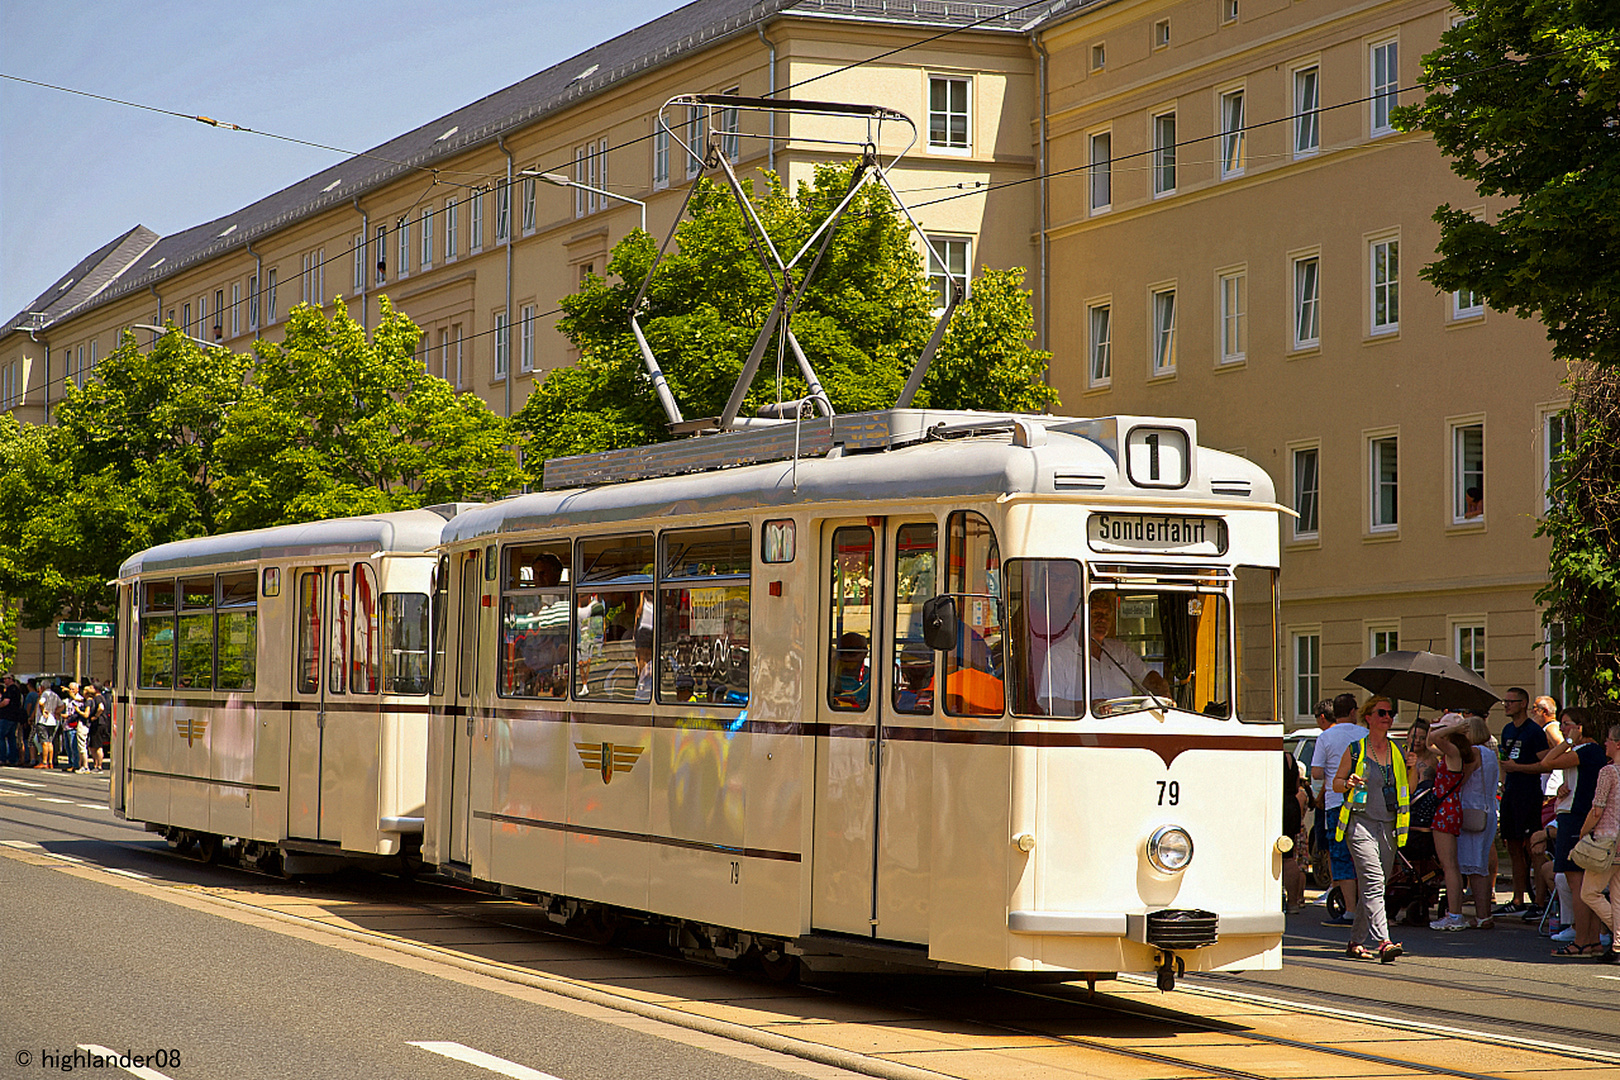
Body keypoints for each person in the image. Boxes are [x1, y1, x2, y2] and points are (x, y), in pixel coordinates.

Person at [1333, 695, 1409, 962]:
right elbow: (1336, 783)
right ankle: (1384, 942)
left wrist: (1411, 767)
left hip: (1388, 827)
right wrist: (1348, 781)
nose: (1388, 717)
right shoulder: (1356, 749)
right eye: (1382, 713)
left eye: (1391, 713)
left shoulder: (1397, 751)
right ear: (1368, 717)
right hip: (1360, 824)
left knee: (1374, 884)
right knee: (1374, 882)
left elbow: (1405, 789)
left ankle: (1355, 941)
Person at [1541, 708, 1611, 957]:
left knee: (1577, 883)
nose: (1562, 729)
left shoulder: (1587, 750)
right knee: (1582, 884)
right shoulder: (1582, 753)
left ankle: (1582, 940)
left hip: (1575, 819)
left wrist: (1567, 741)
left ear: (1581, 726)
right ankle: (1590, 940)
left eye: (1567, 724)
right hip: (1573, 815)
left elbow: (1547, 762)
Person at [1311, 692, 1367, 927]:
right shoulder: (1364, 734)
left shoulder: (1326, 737)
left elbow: (1315, 772)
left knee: (1340, 855)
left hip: (1336, 802)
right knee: (1365, 856)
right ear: (1353, 712)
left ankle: (1350, 910)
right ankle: (1369, 907)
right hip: (1364, 801)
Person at [1496, 688, 1551, 913]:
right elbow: (1504, 760)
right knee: (1513, 846)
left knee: (1533, 846)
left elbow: (1545, 763)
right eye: (1505, 701)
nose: (1507, 705)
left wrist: (1518, 768)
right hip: (1511, 792)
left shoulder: (1534, 732)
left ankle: (1538, 901)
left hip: (1528, 794)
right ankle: (1517, 899)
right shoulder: (1507, 729)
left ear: (1523, 704)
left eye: (1511, 701)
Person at [1426, 710, 1478, 931]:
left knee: (1449, 866)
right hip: (1448, 807)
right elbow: (1430, 742)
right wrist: (1435, 726)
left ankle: (1455, 915)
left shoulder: (1453, 750)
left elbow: (1435, 740)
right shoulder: (1454, 751)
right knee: (1450, 865)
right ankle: (1454, 913)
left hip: (1446, 810)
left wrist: (1446, 729)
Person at [1575, 721, 1619, 963]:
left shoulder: (1608, 771)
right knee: (1617, 894)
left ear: (1618, 744)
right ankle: (1617, 946)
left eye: (1609, 739)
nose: (1606, 743)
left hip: (1605, 841)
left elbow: (1597, 809)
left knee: (1589, 892)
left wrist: (1583, 833)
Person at [1086, 590, 1171, 711]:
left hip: (1127, 723)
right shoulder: (1061, 654)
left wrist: (1164, 692)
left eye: (1106, 615)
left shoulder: (1119, 649)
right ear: (1080, 617)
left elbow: (1147, 676)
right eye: (1096, 614)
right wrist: (1087, 706)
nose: (1102, 620)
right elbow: (1051, 701)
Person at [1458, 714, 1501, 928]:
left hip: (1472, 810)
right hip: (1488, 810)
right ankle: (1485, 914)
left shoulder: (1474, 753)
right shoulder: (1490, 753)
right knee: (1481, 865)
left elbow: (1461, 779)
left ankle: (1482, 914)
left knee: (1474, 867)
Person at [1282, 747, 1307, 912]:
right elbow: (1297, 785)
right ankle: (1293, 901)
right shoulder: (1290, 757)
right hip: (1292, 805)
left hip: (1277, 803)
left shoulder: (1271, 756)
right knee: (1288, 856)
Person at [833, 632, 870, 709]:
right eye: (842, 652)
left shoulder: (873, 678)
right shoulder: (829, 677)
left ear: (865, 653)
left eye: (852, 653)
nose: (846, 658)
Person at [32, 681, 61, 770]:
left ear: (42, 687)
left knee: (44, 742)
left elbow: (41, 703)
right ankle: (50, 761)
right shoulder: (55, 695)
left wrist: (43, 710)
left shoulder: (45, 694)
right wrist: (56, 712)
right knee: (50, 742)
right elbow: (62, 705)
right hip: (52, 721)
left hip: (44, 721)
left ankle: (44, 761)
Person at [0, 674, 23, 766]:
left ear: (11, 679)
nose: (4, 681)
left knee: (1, 737)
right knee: (11, 738)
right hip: (14, 717)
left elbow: (6, 701)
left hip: (7, 716)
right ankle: (13, 759)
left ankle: (2, 758)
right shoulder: (17, 690)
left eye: (5, 679)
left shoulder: (10, 689)